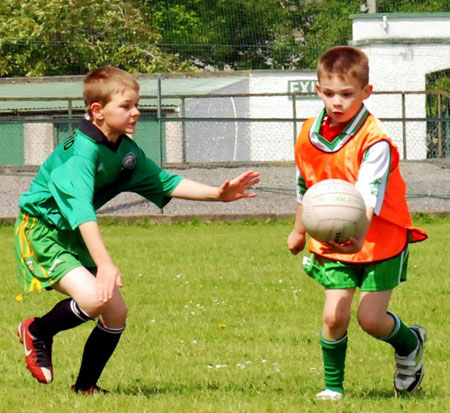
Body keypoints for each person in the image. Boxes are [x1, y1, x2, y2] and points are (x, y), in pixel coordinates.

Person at [15, 66, 260, 394]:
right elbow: (81, 212)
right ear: (97, 111)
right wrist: (104, 263)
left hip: (74, 232)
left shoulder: (124, 150)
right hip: (43, 232)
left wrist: (218, 193)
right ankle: (38, 331)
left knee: (115, 312)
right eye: (127, 105)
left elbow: (166, 181)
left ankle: (85, 388)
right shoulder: (81, 153)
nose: (136, 112)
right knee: (93, 298)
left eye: (137, 104)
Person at [287, 46, 428, 400]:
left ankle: (410, 344)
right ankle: (333, 388)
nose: (337, 102)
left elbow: (369, 195)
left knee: (370, 319)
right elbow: (306, 184)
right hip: (333, 238)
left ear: (366, 92)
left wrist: (358, 236)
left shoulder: (374, 139)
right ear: (318, 90)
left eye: (347, 94)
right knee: (334, 315)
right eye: (330, 93)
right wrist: (299, 229)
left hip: (380, 236)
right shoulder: (308, 134)